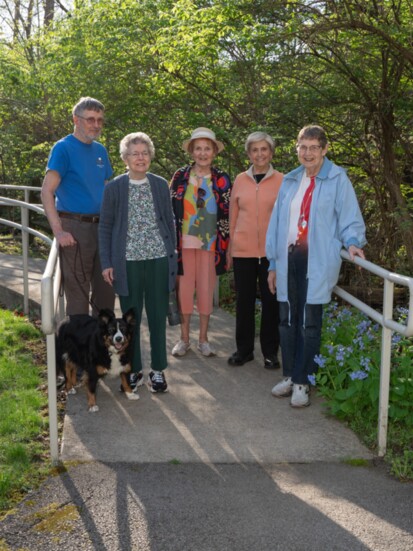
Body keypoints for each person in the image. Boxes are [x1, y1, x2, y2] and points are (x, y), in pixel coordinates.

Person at [266, 125, 366, 407]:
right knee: (286, 321)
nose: (308, 153)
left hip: (317, 258)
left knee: (309, 322)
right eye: (303, 147)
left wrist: (354, 242)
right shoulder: (290, 180)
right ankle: (289, 375)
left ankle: (303, 381)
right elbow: (276, 225)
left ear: (324, 150)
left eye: (313, 148)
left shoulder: (337, 179)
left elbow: (349, 217)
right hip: (288, 259)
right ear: (296, 149)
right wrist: (273, 262)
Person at [98, 132, 177, 394]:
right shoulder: (114, 188)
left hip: (157, 259)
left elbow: (169, 222)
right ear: (125, 158)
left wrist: (172, 255)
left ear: (150, 155)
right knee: (130, 320)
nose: (140, 157)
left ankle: (158, 370)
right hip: (127, 262)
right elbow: (106, 227)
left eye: (144, 152)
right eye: (134, 153)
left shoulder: (160, 184)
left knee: (156, 317)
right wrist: (107, 262)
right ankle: (135, 370)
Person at [41, 96, 115, 316]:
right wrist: (59, 232)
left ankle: (102, 347)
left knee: (106, 290)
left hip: (102, 228)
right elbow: (47, 191)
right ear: (76, 119)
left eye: (100, 120)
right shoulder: (63, 148)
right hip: (75, 228)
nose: (96, 125)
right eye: (91, 119)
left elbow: (107, 189)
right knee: (78, 295)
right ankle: (79, 349)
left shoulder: (100, 150)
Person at [170, 127, 231, 357]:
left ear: (214, 152)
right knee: (184, 292)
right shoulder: (180, 176)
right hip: (183, 245)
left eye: (207, 148)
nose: (203, 153)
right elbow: (169, 210)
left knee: (205, 292)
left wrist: (229, 247)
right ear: (192, 152)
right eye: (198, 149)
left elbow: (229, 214)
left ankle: (204, 339)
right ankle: (184, 339)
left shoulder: (222, 179)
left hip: (211, 245)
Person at [228, 131, 283, 368]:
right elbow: (233, 216)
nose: (259, 154)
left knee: (271, 303)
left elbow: (285, 219)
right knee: (244, 302)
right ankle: (244, 350)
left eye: (264, 149)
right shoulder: (240, 180)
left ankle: (270, 353)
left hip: (271, 254)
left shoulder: (283, 180)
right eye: (255, 150)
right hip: (243, 251)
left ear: (271, 152)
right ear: (249, 153)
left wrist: (281, 252)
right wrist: (231, 247)